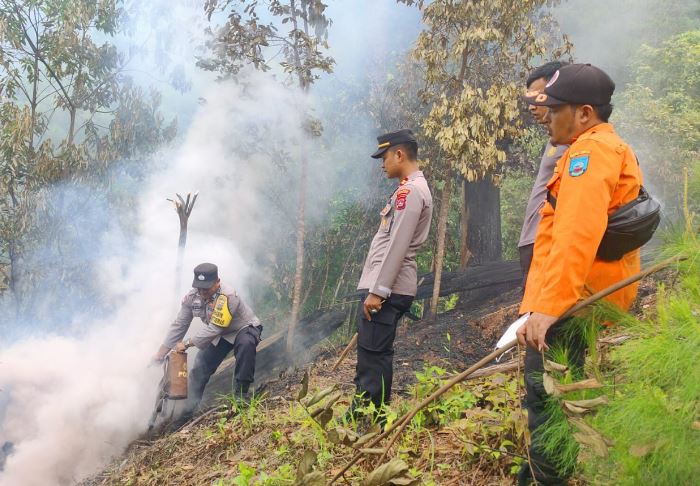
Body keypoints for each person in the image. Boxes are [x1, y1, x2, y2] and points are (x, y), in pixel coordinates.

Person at [516, 64, 644, 484]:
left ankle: (545, 479)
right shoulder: (588, 149)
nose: (547, 116)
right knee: (549, 400)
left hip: (574, 305)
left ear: (585, 113)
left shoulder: (590, 155)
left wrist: (548, 309)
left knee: (548, 401)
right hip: (570, 301)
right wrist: (532, 306)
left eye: (556, 109)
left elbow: (576, 235)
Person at [349, 129, 433, 425]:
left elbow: (397, 245)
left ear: (399, 154)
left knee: (375, 353)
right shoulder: (406, 188)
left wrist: (379, 291)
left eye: (384, 157)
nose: (382, 164)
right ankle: (361, 411)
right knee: (369, 351)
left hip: (389, 288)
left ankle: (371, 421)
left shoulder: (410, 192)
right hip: (386, 286)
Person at [153, 263, 262, 417]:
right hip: (220, 336)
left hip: (243, 329)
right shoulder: (192, 298)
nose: (203, 292)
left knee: (246, 345)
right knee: (200, 367)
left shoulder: (228, 296)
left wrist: (186, 344)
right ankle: (186, 412)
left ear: (217, 281)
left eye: (207, 288)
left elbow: (215, 328)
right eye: (199, 288)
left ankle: (241, 396)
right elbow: (180, 324)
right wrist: (160, 353)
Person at [518, 61, 569, 286]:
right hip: (533, 238)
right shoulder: (556, 139)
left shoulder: (576, 140)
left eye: (539, 96)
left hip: (547, 239)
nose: (531, 106)